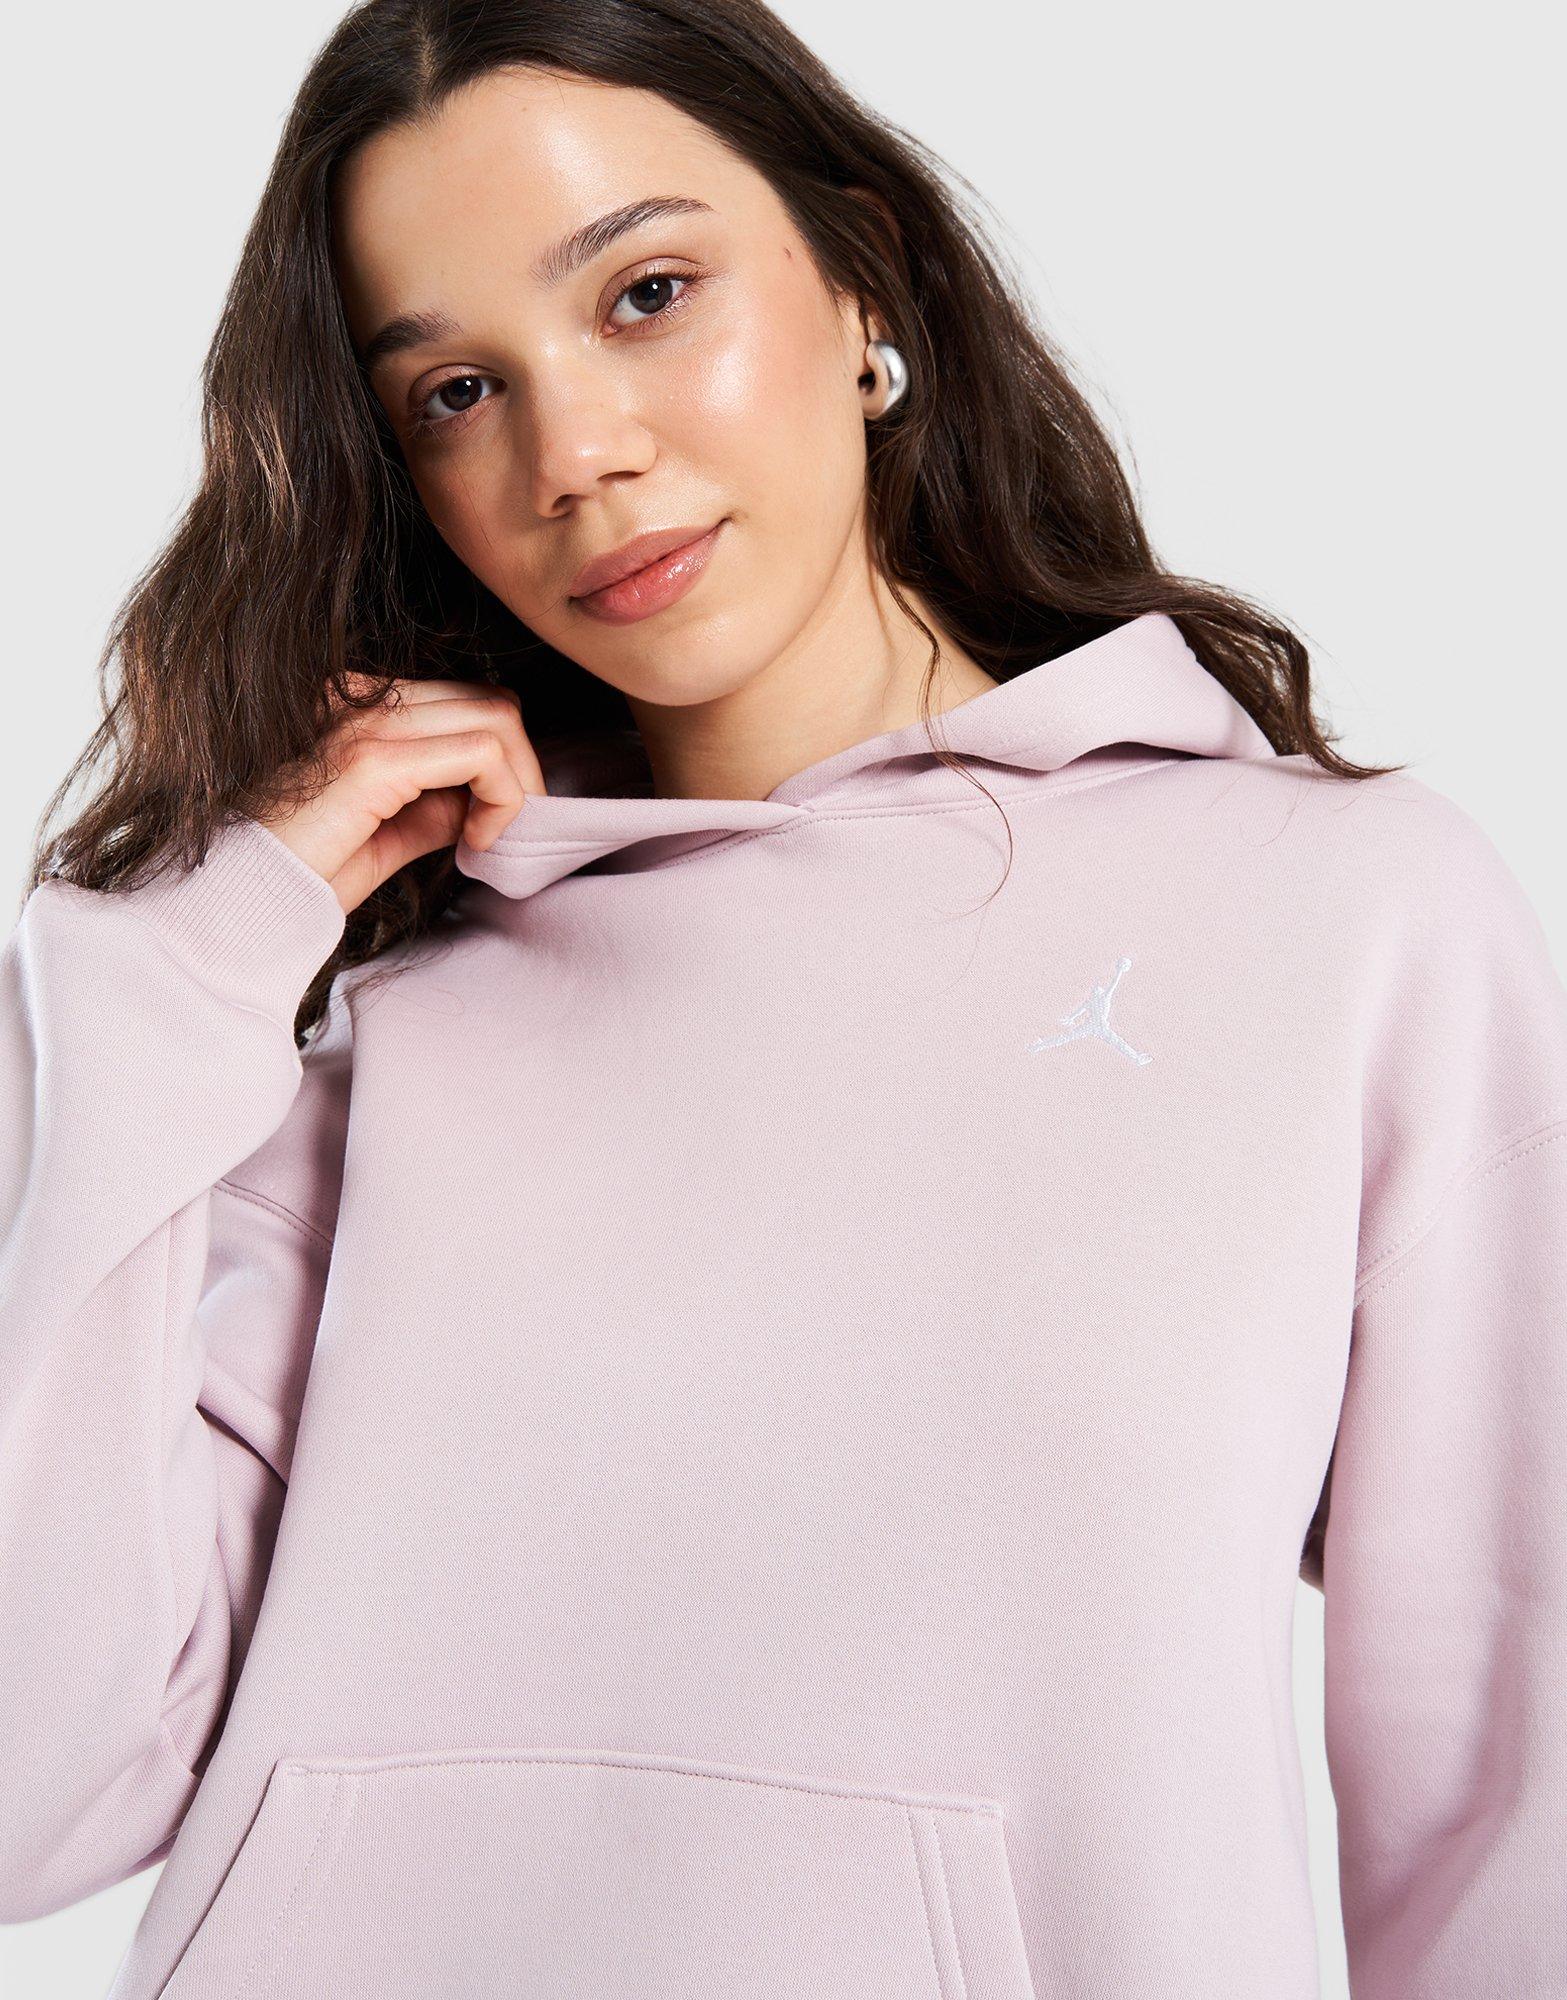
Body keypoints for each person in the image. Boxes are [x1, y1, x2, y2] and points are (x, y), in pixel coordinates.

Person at [3, 1, 1563, 1994]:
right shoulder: (358, 1036)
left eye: (647, 295)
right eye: (459, 391)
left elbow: (1512, 1791)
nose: (578, 452)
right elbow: (30, 1790)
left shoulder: (1340, 920)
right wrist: (160, 971)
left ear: (860, 279)